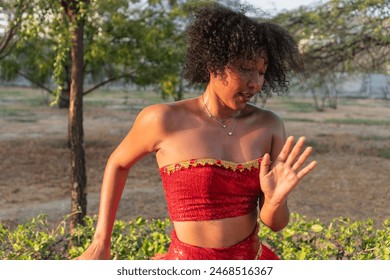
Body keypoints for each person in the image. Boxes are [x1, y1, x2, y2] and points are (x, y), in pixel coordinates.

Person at [76, 3, 317, 260]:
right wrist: (102, 241)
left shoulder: (269, 126)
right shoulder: (162, 119)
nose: (255, 83)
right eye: (246, 68)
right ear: (214, 65)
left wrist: (275, 201)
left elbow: (275, 223)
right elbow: (118, 163)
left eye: (261, 72)